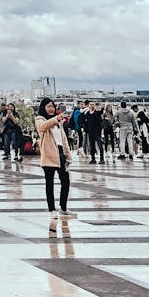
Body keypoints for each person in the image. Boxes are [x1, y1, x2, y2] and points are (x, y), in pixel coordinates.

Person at [35, 97, 73, 230]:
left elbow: (63, 139)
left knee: (66, 181)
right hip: (50, 154)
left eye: (52, 106)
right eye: (48, 106)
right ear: (43, 107)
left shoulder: (58, 122)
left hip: (61, 153)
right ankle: (51, 209)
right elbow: (43, 127)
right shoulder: (40, 119)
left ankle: (63, 207)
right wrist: (57, 118)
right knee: (49, 183)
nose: (51, 108)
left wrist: (68, 155)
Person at [81, 100, 105, 164]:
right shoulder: (87, 114)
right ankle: (93, 159)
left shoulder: (97, 113)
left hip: (97, 132)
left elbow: (101, 112)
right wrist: (85, 130)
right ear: (88, 106)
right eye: (90, 105)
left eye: (93, 104)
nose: (92, 106)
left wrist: (102, 107)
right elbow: (84, 123)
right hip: (90, 132)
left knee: (100, 145)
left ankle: (102, 158)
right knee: (92, 146)